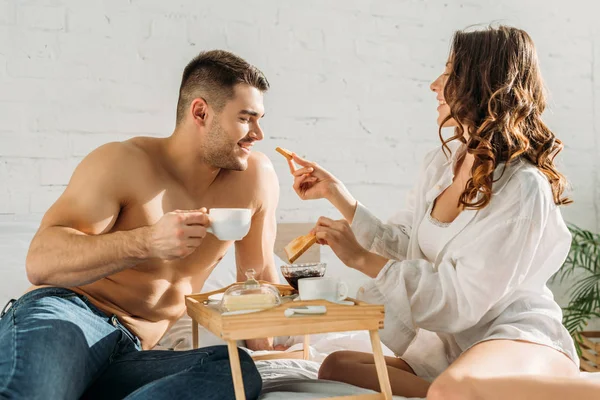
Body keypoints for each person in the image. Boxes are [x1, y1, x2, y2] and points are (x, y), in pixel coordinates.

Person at [286, 25, 580, 399]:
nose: (434, 84)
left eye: (449, 72)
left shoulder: (523, 187)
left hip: (514, 337)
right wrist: (338, 196)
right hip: (455, 344)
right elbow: (407, 246)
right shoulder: (443, 165)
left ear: (481, 82)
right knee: (335, 367)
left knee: (449, 390)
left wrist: (361, 259)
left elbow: (461, 302)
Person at [0, 49, 279, 400]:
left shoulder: (255, 179)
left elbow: (258, 281)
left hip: (136, 351)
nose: (258, 134)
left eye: (259, 119)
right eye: (246, 118)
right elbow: (40, 262)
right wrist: (147, 241)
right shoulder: (123, 162)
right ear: (201, 112)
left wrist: (270, 350)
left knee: (236, 372)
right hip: (68, 316)